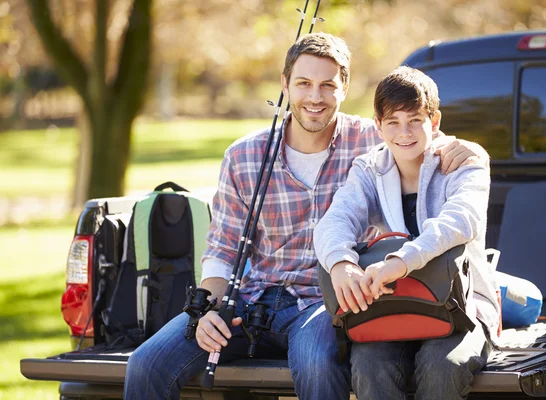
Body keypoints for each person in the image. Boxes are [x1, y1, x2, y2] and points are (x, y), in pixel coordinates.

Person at [124, 33, 489, 400]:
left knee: (317, 362)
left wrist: (463, 147)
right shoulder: (244, 156)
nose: (315, 97)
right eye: (303, 84)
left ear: (343, 89)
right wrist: (207, 311)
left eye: (327, 85)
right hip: (251, 298)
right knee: (145, 364)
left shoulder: (369, 142)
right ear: (285, 85)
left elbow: (415, 133)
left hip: (321, 304)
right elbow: (222, 251)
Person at [313, 66, 500, 399]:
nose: (404, 132)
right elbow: (335, 220)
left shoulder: (463, 162)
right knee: (369, 365)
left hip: (461, 307)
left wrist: (400, 261)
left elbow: (461, 219)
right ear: (378, 126)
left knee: (442, 365)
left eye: (415, 120)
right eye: (393, 122)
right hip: (395, 305)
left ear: (435, 120)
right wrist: (341, 263)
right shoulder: (370, 169)